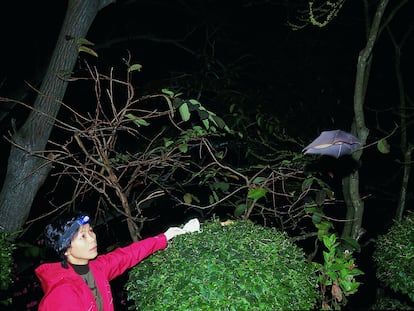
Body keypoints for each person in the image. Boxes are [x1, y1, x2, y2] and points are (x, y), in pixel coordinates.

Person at [35, 212, 199, 310]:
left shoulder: (96, 268)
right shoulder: (62, 294)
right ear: (65, 249)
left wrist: (166, 236)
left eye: (91, 231)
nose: (92, 238)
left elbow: (127, 255)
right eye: (83, 236)